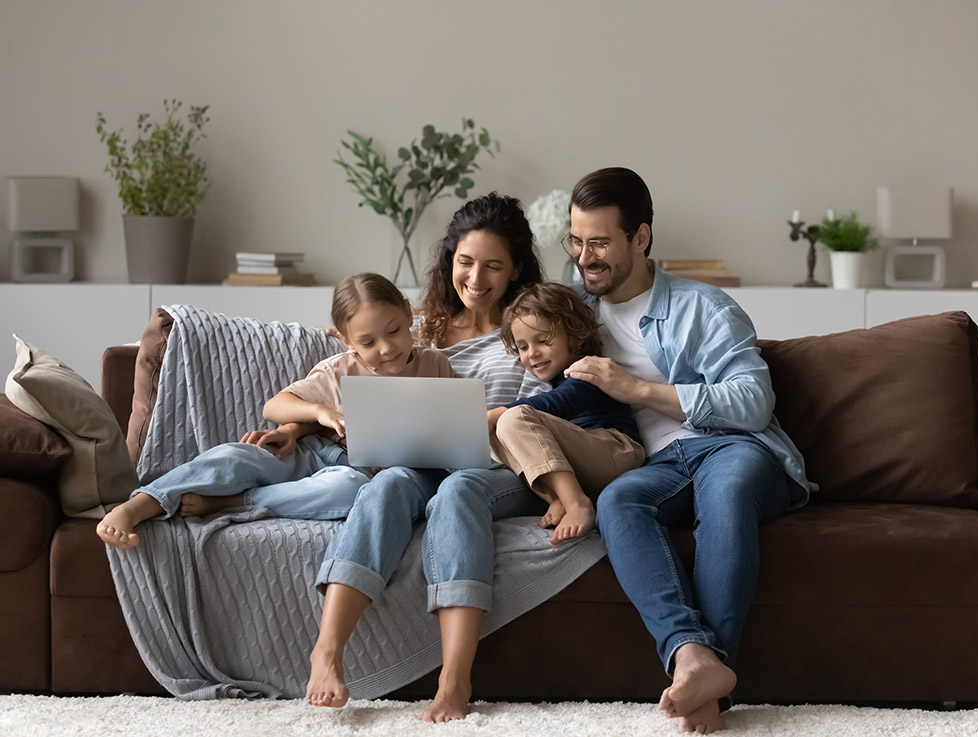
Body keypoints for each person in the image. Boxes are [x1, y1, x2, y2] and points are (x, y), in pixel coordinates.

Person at [562, 168, 815, 734]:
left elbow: (753, 400)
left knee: (724, 491)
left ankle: (710, 677)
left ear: (642, 238)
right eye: (575, 242)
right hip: (659, 467)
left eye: (599, 242)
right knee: (619, 504)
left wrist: (639, 390)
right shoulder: (573, 314)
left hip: (734, 447)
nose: (585, 257)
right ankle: (693, 658)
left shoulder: (705, 306)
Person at [305, 192, 547, 723]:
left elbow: (544, 411)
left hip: (498, 466)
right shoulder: (424, 327)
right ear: (449, 261)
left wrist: (483, 417)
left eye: (493, 265)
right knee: (387, 485)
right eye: (465, 262)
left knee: (459, 490)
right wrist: (299, 420)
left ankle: (454, 678)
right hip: (418, 459)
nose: (476, 277)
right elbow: (359, 356)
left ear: (517, 270)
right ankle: (327, 650)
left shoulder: (531, 328)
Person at [95, 273, 454, 551]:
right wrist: (321, 412)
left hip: (360, 474)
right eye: (368, 342)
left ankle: (234, 502)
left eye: (393, 331)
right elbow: (275, 406)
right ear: (347, 340)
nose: (387, 348)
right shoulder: (341, 369)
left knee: (349, 490)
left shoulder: (436, 365)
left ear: (408, 313)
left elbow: (450, 426)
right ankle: (140, 505)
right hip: (318, 452)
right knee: (238, 456)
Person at [488, 281, 645, 543]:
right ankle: (557, 498)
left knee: (512, 418)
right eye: (523, 347)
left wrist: (500, 411)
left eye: (542, 340)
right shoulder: (558, 376)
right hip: (583, 464)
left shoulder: (591, 369)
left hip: (617, 452)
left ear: (575, 335)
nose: (532, 353)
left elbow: (562, 403)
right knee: (496, 433)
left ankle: (577, 505)